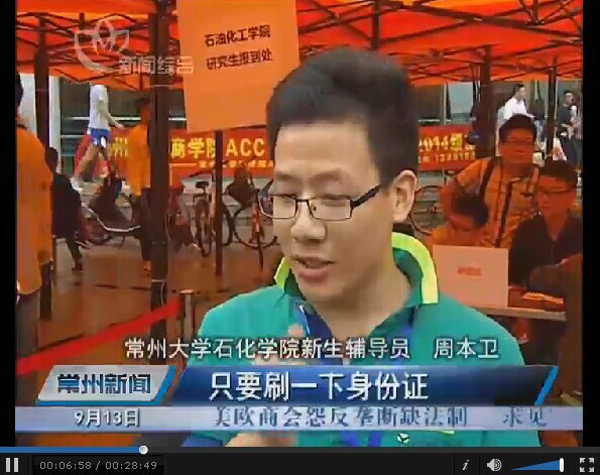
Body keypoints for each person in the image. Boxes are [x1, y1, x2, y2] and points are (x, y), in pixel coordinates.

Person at [182, 48, 539, 448]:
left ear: (400, 196)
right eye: (286, 195)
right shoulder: (229, 331)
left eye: (334, 199)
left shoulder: (488, 356)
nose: (303, 227)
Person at [441, 114, 540, 249]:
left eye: (526, 143)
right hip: (481, 249)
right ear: (500, 146)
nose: (520, 149)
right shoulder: (484, 168)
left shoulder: (539, 177)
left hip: (518, 252)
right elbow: (448, 192)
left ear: (534, 147)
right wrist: (455, 228)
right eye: (514, 142)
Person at [16, 73, 52, 409]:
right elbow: (43, 208)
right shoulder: (32, 147)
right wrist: (44, 255)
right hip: (26, 268)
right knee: (25, 353)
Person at [509, 160, 582, 287]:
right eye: (541, 191)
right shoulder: (526, 231)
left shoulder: (579, 231)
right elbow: (514, 280)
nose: (545, 199)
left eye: (554, 192)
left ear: (572, 195)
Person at [72, 83, 123, 190]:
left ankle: (115, 179)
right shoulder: (100, 88)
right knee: (91, 155)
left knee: (108, 156)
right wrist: (115, 123)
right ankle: (75, 178)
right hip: (98, 129)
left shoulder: (99, 88)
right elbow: (102, 109)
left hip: (101, 128)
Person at [46, 147, 85, 272]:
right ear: (56, 162)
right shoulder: (63, 180)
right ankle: (77, 257)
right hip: (66, 224)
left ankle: (46, 261)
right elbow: (74, 199)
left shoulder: (41, 181)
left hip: (48, 223)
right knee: (70, 234)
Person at [127, 97, 152, 274]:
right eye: (146, 110)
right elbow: (133, 163)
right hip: (143, 185)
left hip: (158, 183)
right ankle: (147, 258)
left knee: (158, 223)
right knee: (146, 224)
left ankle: (156, 256)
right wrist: (136, 189)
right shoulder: (135, 134)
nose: (149, 113)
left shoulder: (158, 131)